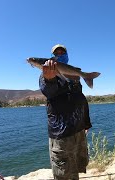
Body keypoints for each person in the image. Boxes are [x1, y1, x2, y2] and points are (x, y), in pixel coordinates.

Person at [39, 44, 92, 180]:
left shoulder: (74, 74)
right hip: (61, 135)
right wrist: (49, 79)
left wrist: (86, 122)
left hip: (78, 131)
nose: (60, 54)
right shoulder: (47, 74)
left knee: (76, 168)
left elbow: (80, 99)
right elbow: (48, 90)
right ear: (52, 56)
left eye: (63, 52)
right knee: (63, 174)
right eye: (57, 53)